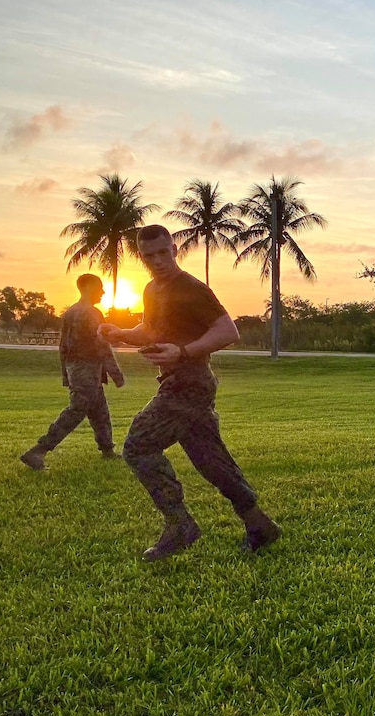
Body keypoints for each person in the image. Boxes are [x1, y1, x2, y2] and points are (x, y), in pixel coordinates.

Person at [98, 224, 281, 562]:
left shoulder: (191, 287)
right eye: (149, 255)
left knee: (138, 445)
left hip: (189, 382)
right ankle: (260, 526)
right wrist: (120, 333)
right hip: (177, 380)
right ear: (142, 257)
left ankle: (180, 525)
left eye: (163, 253)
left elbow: (228, 331)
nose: (157, 261)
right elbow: (152, 329)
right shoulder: (152, 290)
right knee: (211, 462)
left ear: (174, 250)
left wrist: (182, 353)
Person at [20, 274, 124, 470]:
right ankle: (38, 450)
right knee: (75, 412)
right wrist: (116, 374)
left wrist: (66, 373)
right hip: (87, 371)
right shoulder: (92, 313)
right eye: (99, 288)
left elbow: (63, 346)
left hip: (77, 370)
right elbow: (102, 346)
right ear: (88, 288)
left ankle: (107, 449)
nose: (102, 292)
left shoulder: (70, 312)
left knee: (100, 411)